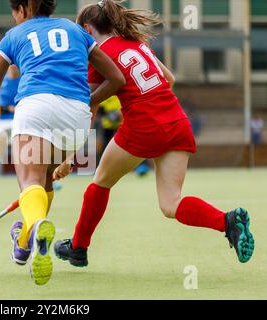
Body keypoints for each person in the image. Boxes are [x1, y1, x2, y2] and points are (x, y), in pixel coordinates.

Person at [54, 0, 254, 267]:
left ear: (88, 29)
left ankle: (78, 248)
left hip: (144, 126)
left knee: (101, 181)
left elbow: (89, 105)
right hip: (177, 121)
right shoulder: (137, 44)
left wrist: (69, 156)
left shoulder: (97, 55)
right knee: (170, 203)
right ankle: (227, 221)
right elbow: (169, 79)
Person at [0, 0, 125, 285]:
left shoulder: (13, 36)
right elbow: (116, 78)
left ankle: (35, 229)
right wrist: (84, 101)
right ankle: (22, 243)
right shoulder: (74, 29)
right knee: (44, 181)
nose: (14, 16)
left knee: (30, 181)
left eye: (13, 11)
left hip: (36, 109)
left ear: (23, 8)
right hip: (77, 119)